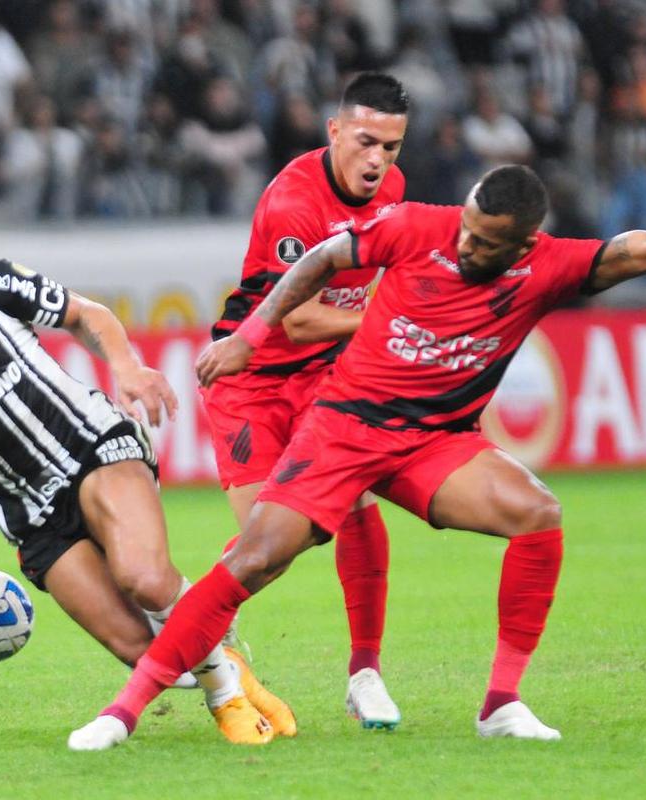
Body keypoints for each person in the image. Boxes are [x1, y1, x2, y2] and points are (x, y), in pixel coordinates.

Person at [69, 123, 646, 749]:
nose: (465, 243)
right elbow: (319, 260)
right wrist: (252, 336)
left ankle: (501, 703)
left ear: (524, 244)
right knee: (254, 558)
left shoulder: (547, 267)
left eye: (484, 242)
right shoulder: (417, 224)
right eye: (467, 226)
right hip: (344, 427)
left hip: (435, 442)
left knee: (537, 513)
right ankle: (124, 712)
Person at [0, 243, 296, 746]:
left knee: (144, 579)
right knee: (141, 648)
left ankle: (225, 696)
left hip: (93, 447)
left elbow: (86, 315)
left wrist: (125, 368)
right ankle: (222, 653)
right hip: (32, 518)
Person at [204, 71, 408, 729]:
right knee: (268, 545)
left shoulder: (394, 194)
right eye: (365, 141)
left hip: (324, 376)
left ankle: (365, 674)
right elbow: (299, 319)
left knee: (354, 502)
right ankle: (197, 638)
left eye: (391, 147)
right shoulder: (293, 202)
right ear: (335, 131)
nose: (376, 160)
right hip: (251, 378)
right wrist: (390, 319)